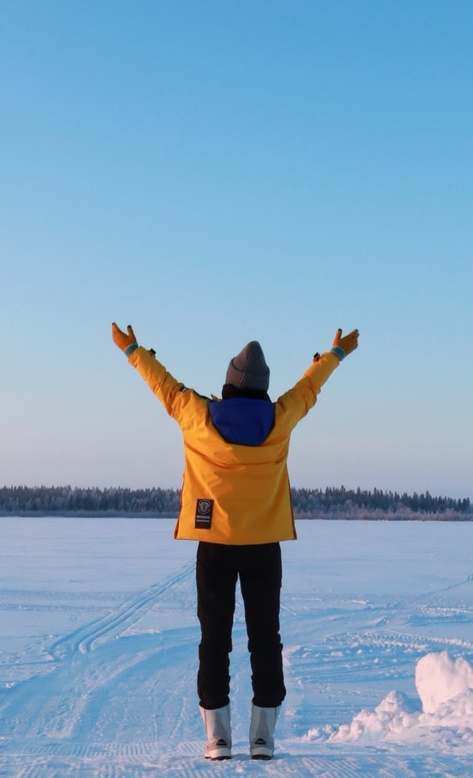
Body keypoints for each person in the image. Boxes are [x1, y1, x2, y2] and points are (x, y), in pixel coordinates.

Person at [110, 320, 359, 761]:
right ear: (263, 389)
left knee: (214, 638)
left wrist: (133, 349)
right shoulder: (280, 418)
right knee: (266, 638)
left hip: (215, 544)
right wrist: (334, 354)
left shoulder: (197, 414)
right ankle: (262, 737)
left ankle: (218, 738)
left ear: (228, 384)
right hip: (264, 545)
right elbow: (308, 388)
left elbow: (163, 386)